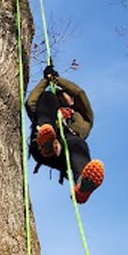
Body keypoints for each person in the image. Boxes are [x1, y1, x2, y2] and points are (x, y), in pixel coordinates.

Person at [25, 64, 104, 204]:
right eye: (58, 96)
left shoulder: (82, 117)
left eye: (63, 95)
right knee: (47, 96)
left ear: (72, 100)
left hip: (68, 152)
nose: (59, 97)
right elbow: (31, 103)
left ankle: (82, 185)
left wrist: (57, 80)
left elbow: (79, 93)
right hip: (43, 143)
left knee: (77, 143)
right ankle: (47, 138)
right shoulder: (48, 109)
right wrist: (45, 81)